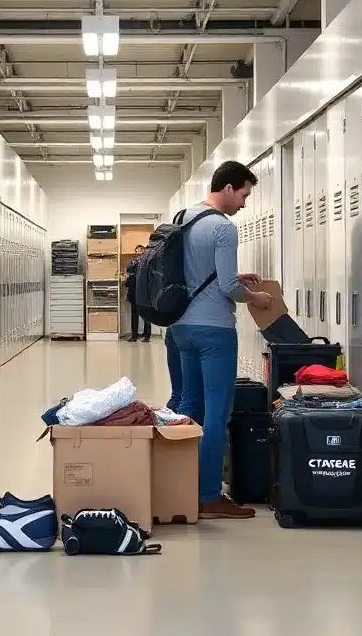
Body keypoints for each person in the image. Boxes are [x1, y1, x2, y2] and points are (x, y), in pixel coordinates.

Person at [170, 161, 272, 521]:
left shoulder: (184, 217)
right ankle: (209, 496)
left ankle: (177, 485)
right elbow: (229, 288)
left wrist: (234, 277)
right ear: (228, 187)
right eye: (244, 194)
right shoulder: (223, 228)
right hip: (214, 331)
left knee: (190, 406)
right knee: (217, 413)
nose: (244, 203)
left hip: (181, 328)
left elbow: (197, 272)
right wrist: (256, 298)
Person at [126, 244, 152, 342]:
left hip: (140, 292)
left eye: (140, 251)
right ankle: (142, 335)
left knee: (140, 315)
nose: (138, 253)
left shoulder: (139, 263)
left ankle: (139, 335)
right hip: (140, 293)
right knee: (142, 314)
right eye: (137, 251)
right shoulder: (146, 263)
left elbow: (130, 277)